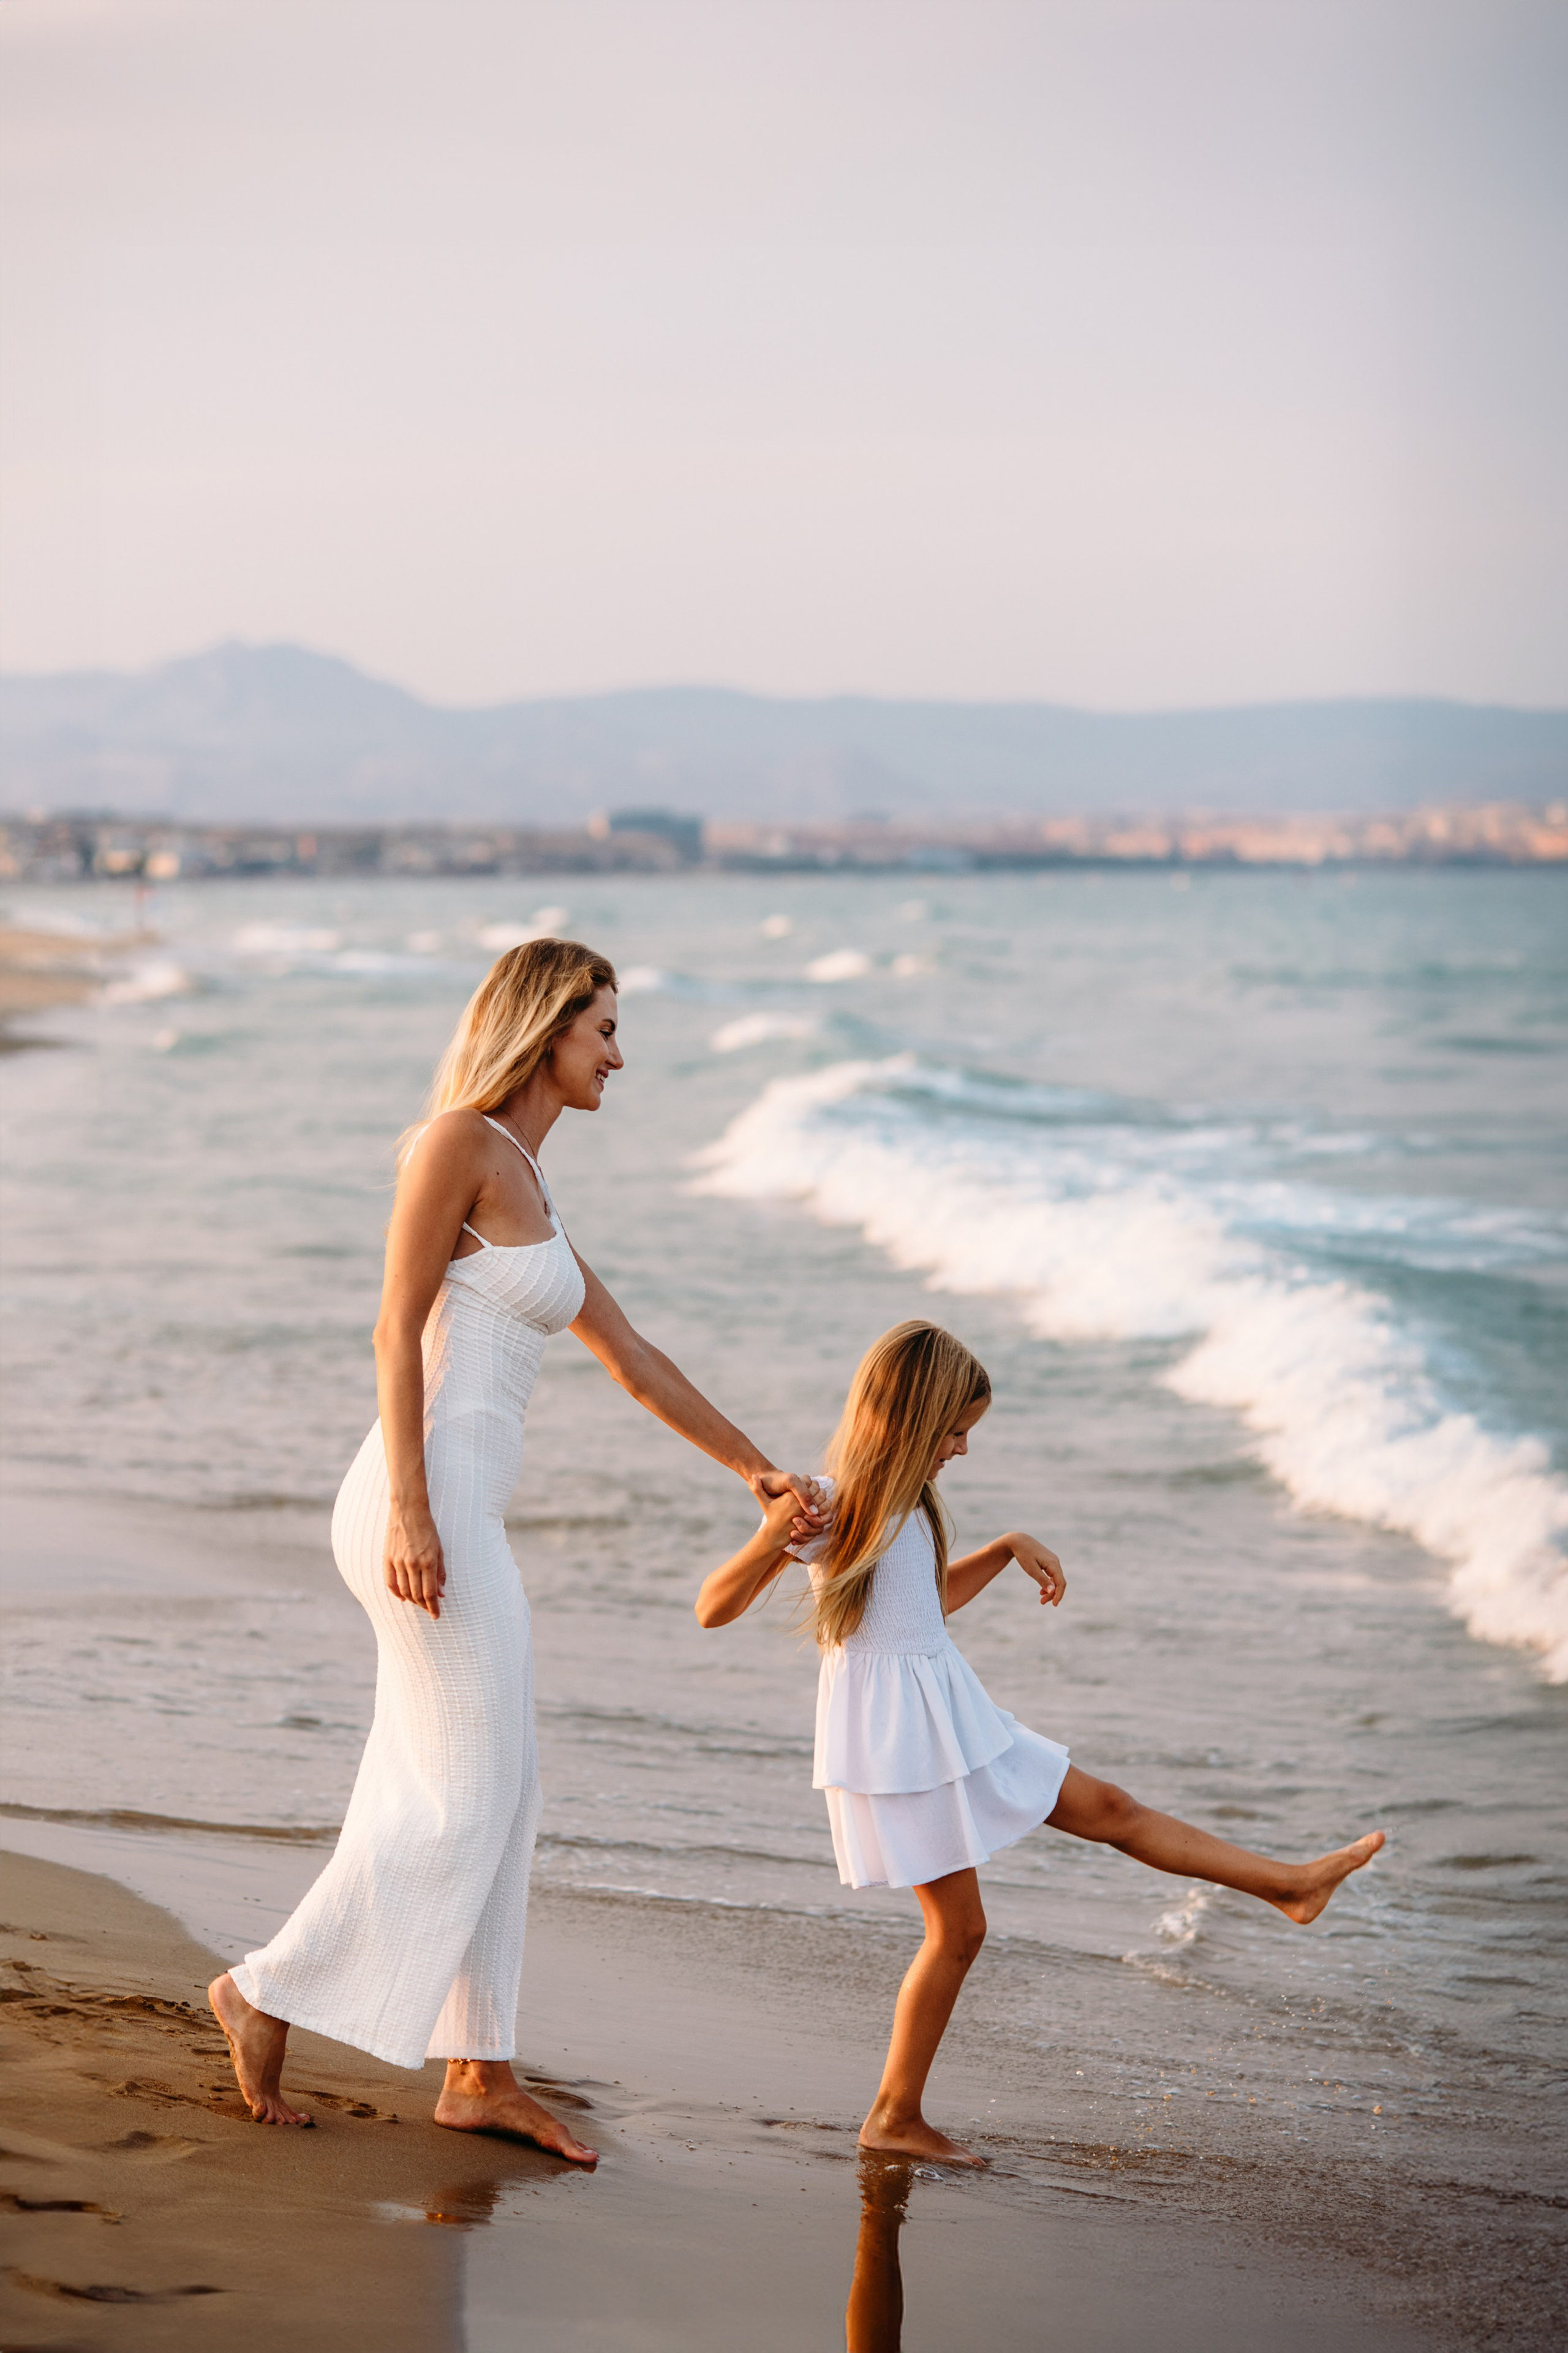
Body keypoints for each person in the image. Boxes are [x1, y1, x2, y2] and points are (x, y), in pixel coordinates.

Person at [209, 938, 821, 2161]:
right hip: (415, 1501)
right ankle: (266, 1987)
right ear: (546, 1030)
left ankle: (478, 2068)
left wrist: (756, 1469)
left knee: (499, 1781)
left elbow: (635, 1360)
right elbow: (390, 1328)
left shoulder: (527, 1183)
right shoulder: (455, 1145)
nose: (617, 1052)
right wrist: (412, 1512)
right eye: (602, 1027)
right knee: (466, 1788)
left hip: (456, 1510)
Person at [693, 1318, 1384, 2168]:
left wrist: (1005, 1546)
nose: (962, 1449)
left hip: (948, 1713)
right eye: (956, 1429)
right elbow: (713, 1606)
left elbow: (917, 1606)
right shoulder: (829, 1503)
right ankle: (893, 2116)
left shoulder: (909, 1504)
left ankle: (1289, 1885)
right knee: (958, 1930)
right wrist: (770, 1532)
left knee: (1111, 1809)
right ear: (913, 1417)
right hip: (900, 1741)